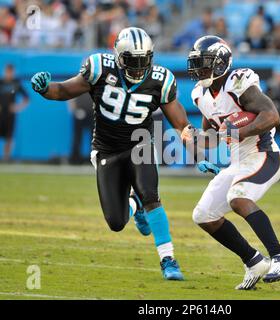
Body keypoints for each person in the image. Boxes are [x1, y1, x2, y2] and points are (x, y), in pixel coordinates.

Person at [31, 27, 193, 280]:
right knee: (116, 223)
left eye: (144, 60)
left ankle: (168, 260)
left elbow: (181, 124)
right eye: (132, 61)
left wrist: (199, 152)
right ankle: (134, 203)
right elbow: (63, 90)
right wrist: (45, 89)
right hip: (106, 149)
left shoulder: (161, 80)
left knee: (151, 195)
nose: (139, 67)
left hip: (140, 144)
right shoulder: (99, 68)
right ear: (118, 56)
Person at [184, 36, 280, 290]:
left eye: (205, 63)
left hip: (263, 154)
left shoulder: (239, 83)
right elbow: (212, 138)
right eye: (197, 64)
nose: (199, 69)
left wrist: (239, 132)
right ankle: (253, 261)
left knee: (238, 197)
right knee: (203, 214)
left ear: (221, 63)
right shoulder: (200, 95)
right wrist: (193, 140)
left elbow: (272, 115)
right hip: (238, 161)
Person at [0, 64, 29, 161]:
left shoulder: (16, 83)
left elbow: (27, 98)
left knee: (9, 137)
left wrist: (17, 107)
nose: (9, 74)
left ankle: (6, 158)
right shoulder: (1, 82)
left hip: (10, 114)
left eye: (11, 72)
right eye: (7, 71)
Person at [68, 92, 94, 164]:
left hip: (92, 112)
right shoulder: (77, 81)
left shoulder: (96, 82)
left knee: (94, 137)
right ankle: (75, 159)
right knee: (77, 136)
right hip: (80, 111)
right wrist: (75, 110)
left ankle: (93, 159)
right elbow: (70, 96)